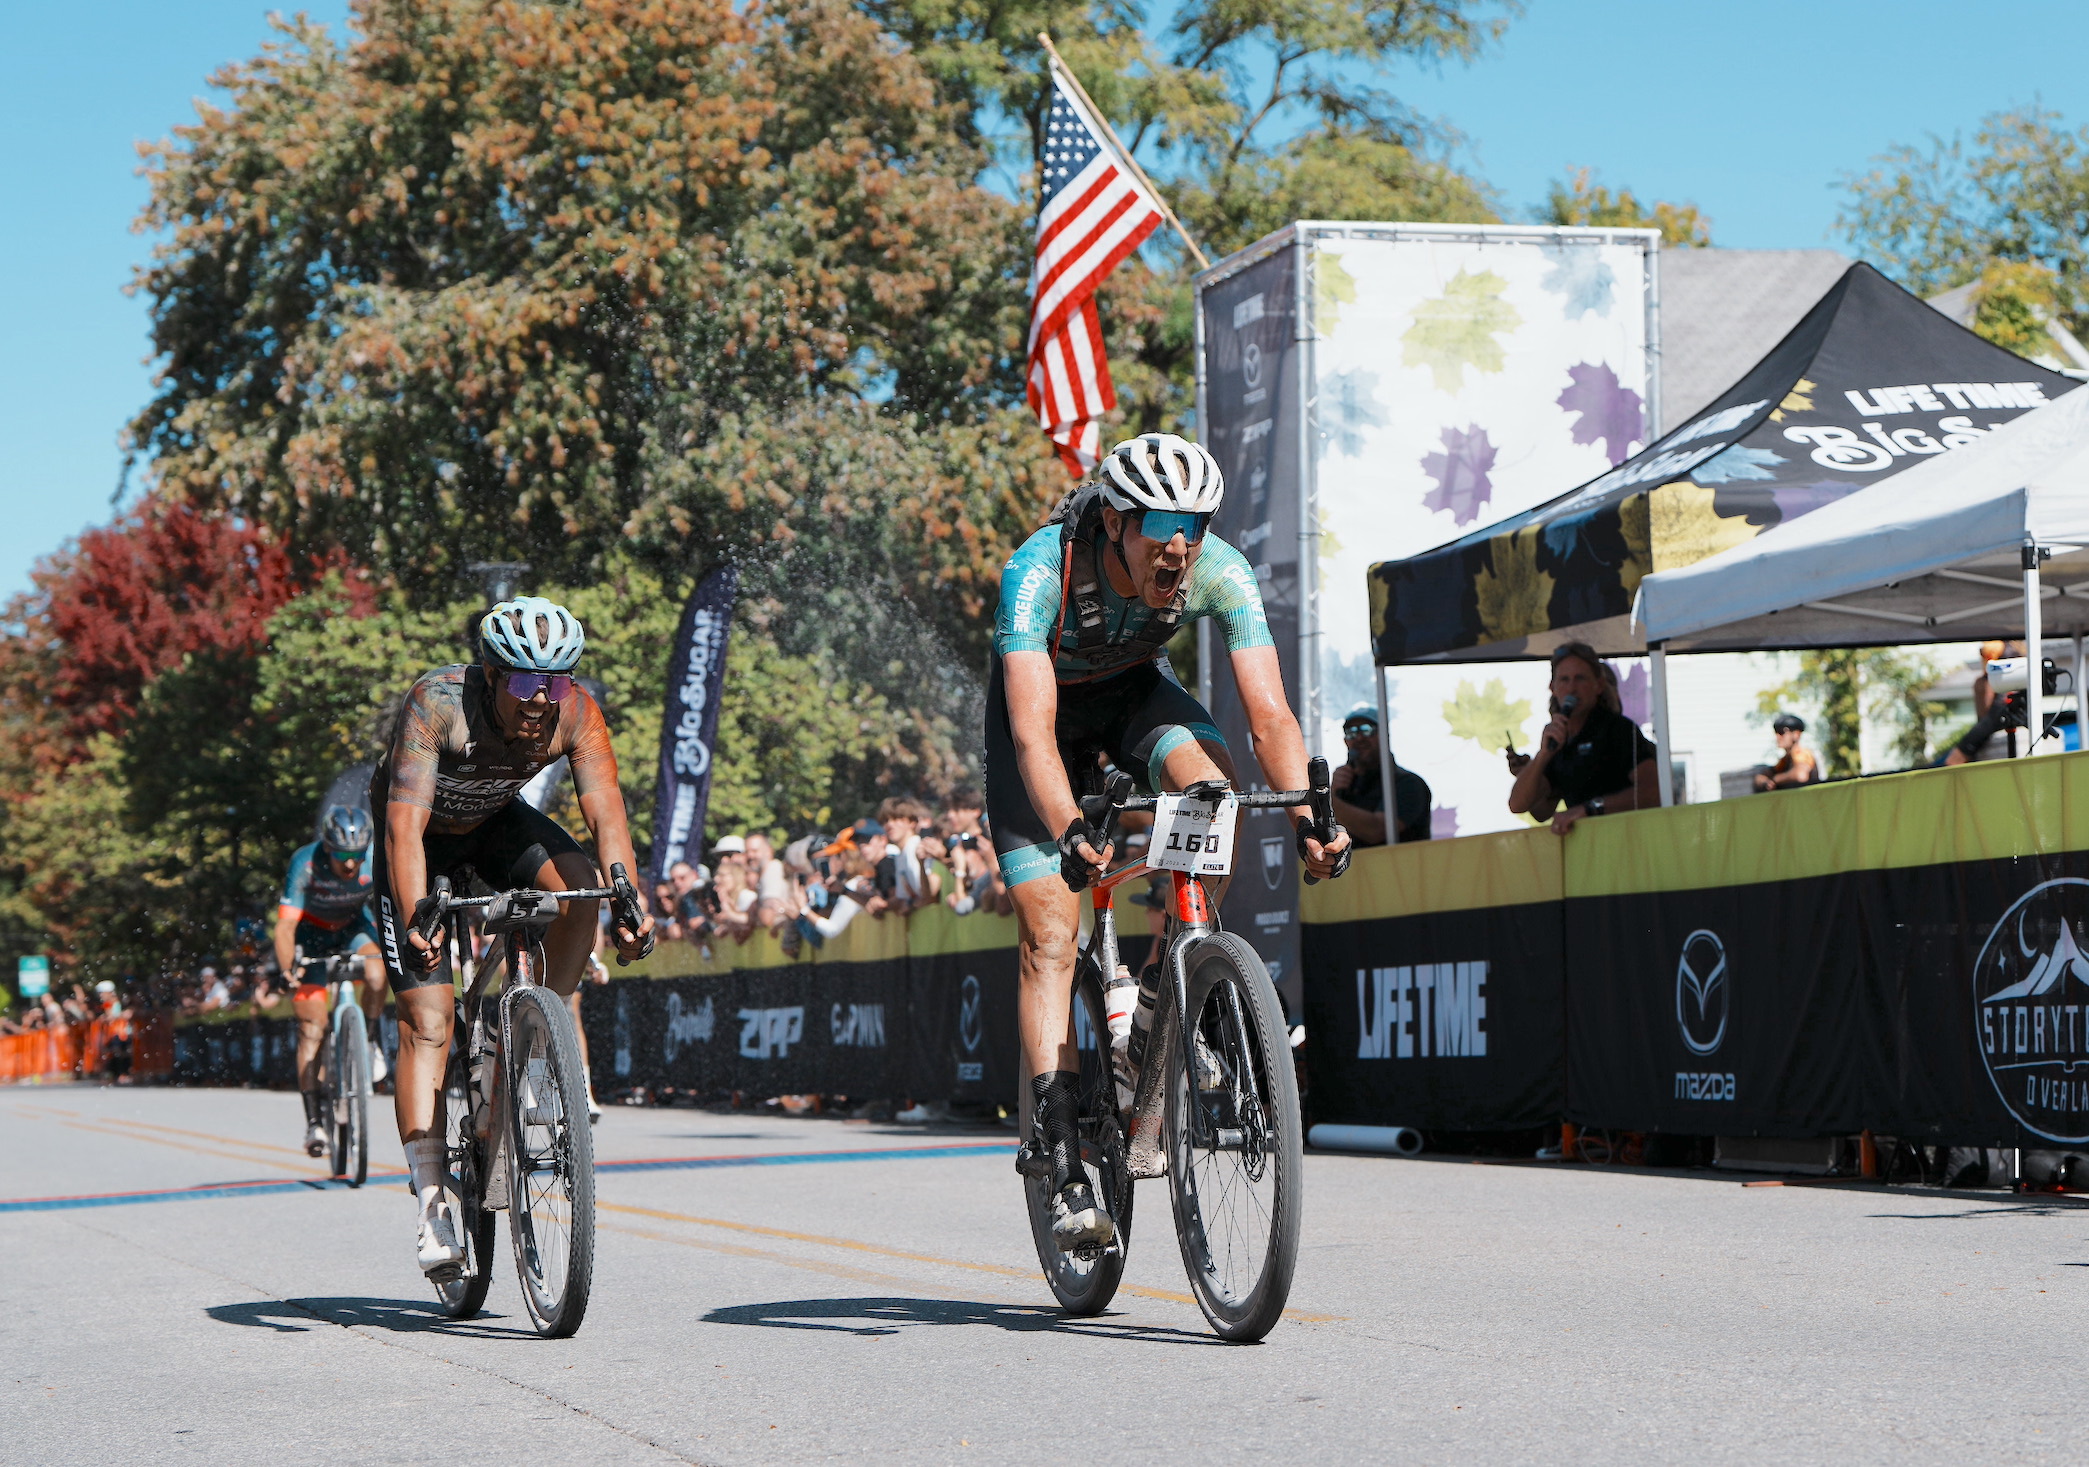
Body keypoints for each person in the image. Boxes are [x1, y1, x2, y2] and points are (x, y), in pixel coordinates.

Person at [988, 432, 1350, 1250]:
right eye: (1160, 523)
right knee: (1051, 932)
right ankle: (1062, 1160)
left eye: (1195, 523)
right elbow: (1032, 737)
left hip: (1132, 700)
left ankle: (1158, 998)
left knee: (1213, 787)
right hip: (1042, 731)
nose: (1180, 545)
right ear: (1115, 522)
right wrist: (1068, 827)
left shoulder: (1218, 568)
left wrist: (1308, 823)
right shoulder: (1039, 570)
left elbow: (1270, 716)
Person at [373, 596, 653, 1276]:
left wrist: (630, 899)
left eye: (553, 683)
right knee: (430, 1018)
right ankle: (435, 1195)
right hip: (417, 841)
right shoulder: (437, 702)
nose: (539, 701)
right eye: (526, 683)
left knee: (581, 881)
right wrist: (417, 920)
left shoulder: (575, 712)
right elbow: (404, 829)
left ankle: (527, 1034)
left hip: (495, 820)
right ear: (491, 675)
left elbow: (605, 809)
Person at [274, 805, 388, 1156]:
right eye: (341, 855)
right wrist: (286, 968)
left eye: (356, 855)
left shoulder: (372, 860)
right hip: (310, 938)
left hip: (353, 928)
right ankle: (314, 1124)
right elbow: (286, 925)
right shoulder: (305, 863)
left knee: (377, 971)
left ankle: (367, 1039)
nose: (350, 864)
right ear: (326, 847)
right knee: (312, 1029)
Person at [1505, 642, 1659, 834]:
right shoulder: (1559, 741)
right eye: (1564, 679)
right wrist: (1542, 755)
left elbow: (1653, 793)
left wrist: (1590, 808)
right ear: (1553, 687)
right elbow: (1522, 806)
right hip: (1588, 853)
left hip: (1628, 844)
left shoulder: (1618, 729)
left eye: (1580, 679)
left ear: (1599, 685)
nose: (1571, 688)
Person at [1329, 705, 1433, 846]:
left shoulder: (1408, 783)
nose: (1359, 738)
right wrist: (1333, 793)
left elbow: (1377, 831)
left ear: (1385, 735)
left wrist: (1328, 802)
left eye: (1367, 730)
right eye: (1351, 732)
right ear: (1346, 741)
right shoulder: (1344, 787)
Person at [1754, 713, 1821, 791]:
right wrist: (1765, 782)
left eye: (1782, 732)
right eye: (1776, 732)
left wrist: (1776, 779)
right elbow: (1761, 776)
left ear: (1796, 734)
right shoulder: (1785, 760)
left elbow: (1801, 775)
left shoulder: (1802, 753)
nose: (1777, 737)